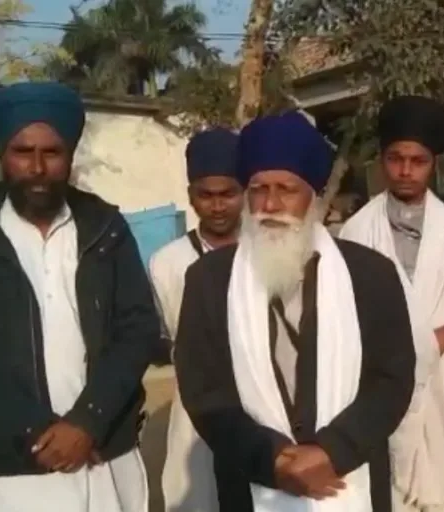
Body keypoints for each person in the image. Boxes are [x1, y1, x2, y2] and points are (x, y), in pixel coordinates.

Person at [0, 82, 158, 511]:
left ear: (70, 155)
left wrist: (87, 422)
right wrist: (35, 431)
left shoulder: (106, 228)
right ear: (2, 156)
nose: (36, 167)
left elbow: (136, 329)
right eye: (22, 151)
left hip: (103, 455)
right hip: (10, 469)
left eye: (51, 152)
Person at [173, 111, 416, 511]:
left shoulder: (370, 274)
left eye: (286, 189)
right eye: (258, 189)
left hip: (347, 473)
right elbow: (204, 391)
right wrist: (272, 459)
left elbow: (391, 380)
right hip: (249, 480)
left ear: (313, 196)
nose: (271, 204)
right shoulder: (208, 279)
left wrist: (332, 451)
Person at [340, 95, 444, 512]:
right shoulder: (355, 233)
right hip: (384, 395)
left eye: (418, 161)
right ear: (382, 160)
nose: (406, 171)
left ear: (434, 164)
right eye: (396, 159)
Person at [150, 127, 243, 512]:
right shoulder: (167, 263)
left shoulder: (269, 251)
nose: (217, 206)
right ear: (191, 196)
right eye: (206, 195)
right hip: (197, 412)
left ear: (244, 191)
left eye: (228, 194)